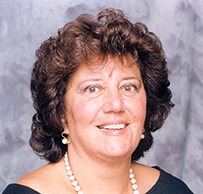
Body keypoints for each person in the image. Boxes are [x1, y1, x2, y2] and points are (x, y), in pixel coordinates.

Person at [2, 8, 193, 194]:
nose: (116, 105)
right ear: (60, 113)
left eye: (128, 87)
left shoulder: (173, 190)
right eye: (92, 89)